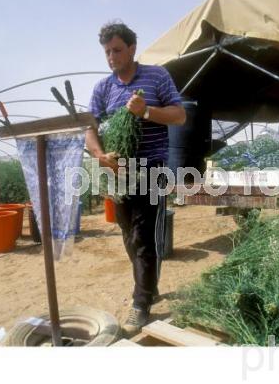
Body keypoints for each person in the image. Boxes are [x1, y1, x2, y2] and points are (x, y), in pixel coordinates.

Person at [86, 21, 186, 335]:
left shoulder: (157, 76)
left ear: (132, 48)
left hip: (152, 169)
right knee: (129, 235)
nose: (111, 56)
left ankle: (141, 303)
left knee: (143, 237)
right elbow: (89, 128)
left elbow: (179, 115)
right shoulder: (103, 88)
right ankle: (149, 287)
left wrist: (146, 112)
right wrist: (101, 156)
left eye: (117, 50)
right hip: (119, 174)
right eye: (107, 52)